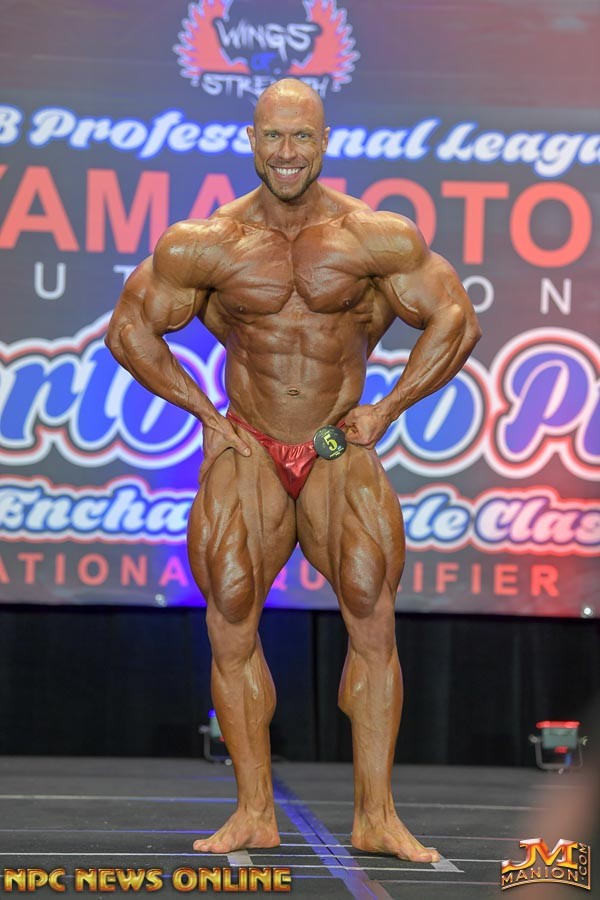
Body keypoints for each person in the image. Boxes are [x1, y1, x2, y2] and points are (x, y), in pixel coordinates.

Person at [106, 78, 481, 862]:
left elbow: (455, 318)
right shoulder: (206, 243)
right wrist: (205, 416)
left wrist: (389, 408)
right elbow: (129, 328)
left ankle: (377, 816)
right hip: (249, 439)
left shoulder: (374, 236)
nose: (287, 152)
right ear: (251, 140)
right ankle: (253, 812)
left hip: (338, 443)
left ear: (324, 141)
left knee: (370, 608)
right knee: (230, 608)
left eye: (302, 137)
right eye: (273, 136)